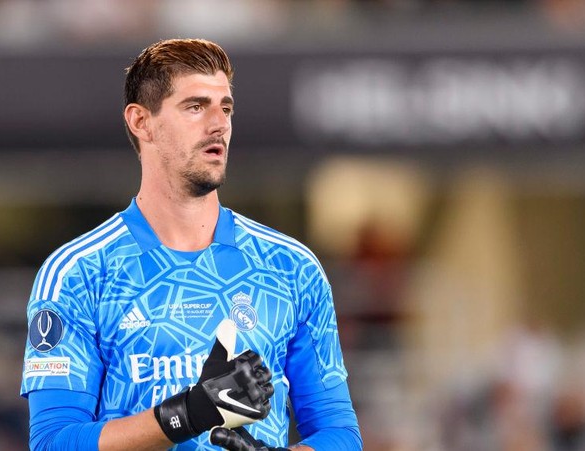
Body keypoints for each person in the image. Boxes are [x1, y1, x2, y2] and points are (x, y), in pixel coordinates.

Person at [20, 38, 363, 451]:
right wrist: (189, 413)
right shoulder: (78, 273)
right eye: (196, 107)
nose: (219, 123)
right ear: (141, 122)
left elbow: (340, 435)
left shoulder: (292, 267)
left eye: (226, 108)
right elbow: (53, 442)